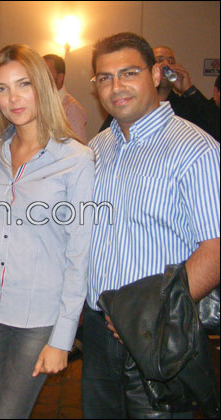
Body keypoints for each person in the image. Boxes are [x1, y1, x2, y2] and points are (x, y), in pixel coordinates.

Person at [83, 32, 220, 419]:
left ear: (156, 74)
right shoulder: (97, 148)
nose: (116, 86)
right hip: (97, 330)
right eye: (105, 77)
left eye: (129, 73)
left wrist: (150, 312)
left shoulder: (196, 150)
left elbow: (215, 249)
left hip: (159, 333)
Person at [0, 44, 94, 418]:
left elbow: (80, 253)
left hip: (38, 314)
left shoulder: (76, 159)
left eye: (23, 84)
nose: (13, 98)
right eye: (1, 89)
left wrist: (64, 338)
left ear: (43, 86)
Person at [99, 45, 220, 141]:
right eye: (159, 60)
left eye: (171, 61)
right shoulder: (131, 104)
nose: (166, 65)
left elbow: (214, 127)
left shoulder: (185, 106)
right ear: (152, 71)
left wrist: (189, 90)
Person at [43, 54, 88, 144]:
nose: (41, 78)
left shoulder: (71, 108)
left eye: (46, 73)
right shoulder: (40, 105)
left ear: (60, 77)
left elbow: (79, 148)